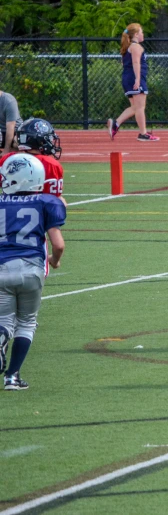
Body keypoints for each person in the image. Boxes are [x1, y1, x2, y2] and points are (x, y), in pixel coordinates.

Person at [0, 154, 66, 390]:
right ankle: (12, 377)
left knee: (4, 321)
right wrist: (54, 261)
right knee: (26, 322)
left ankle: (1, 336)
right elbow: (58, 244)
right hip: (31, 268)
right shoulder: (47, 202)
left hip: (1, 267)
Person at [107, 23, 159, 142]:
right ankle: (143, 134)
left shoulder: (127, 48)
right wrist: (137, 79)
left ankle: (116, 124)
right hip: (135, 79)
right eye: (141, 32)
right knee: (140, 107)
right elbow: (136, 63)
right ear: (136, 34)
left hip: (127, 78)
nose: (143, 34)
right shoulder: (136, 47)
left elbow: (124, 63)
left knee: (135, 107)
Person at [1, 118, 66, 205]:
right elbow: (53, 199)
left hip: (9, 212)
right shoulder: (51, 164)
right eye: (48, 139)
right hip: (37, 214)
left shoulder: (8, 159)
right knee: (60, 202)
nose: (50, 142)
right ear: (39, 140)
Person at [0, 91, 24, 156]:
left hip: (15, 131)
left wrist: (6, 151)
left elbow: (10, 127)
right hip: (1, 132)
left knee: (17, 143)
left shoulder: (8, 100)